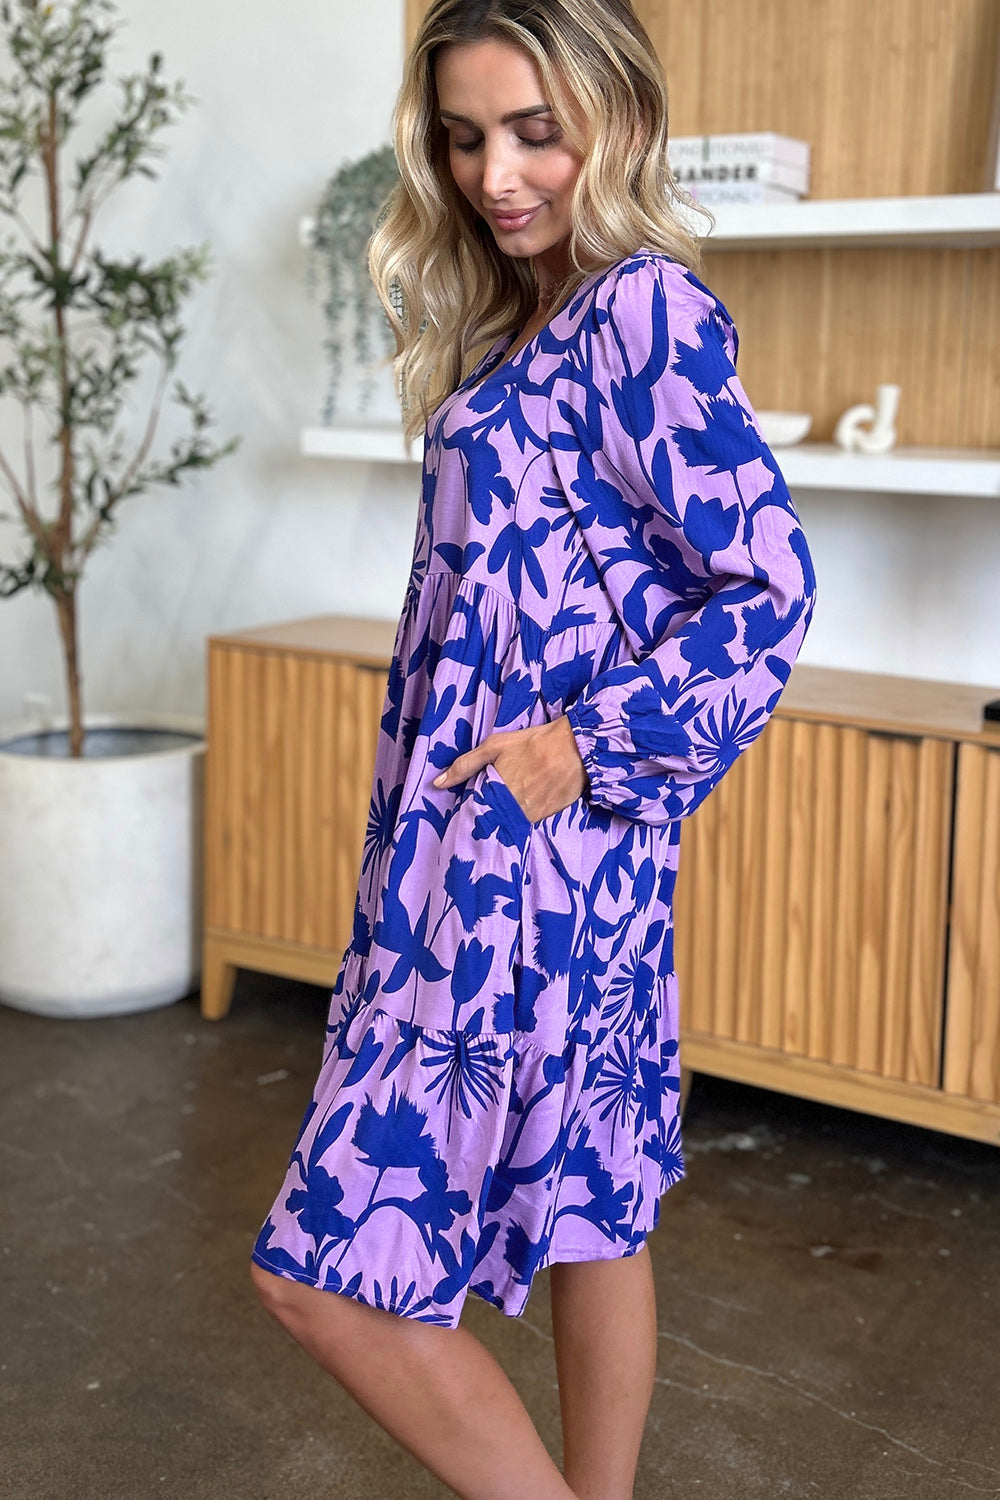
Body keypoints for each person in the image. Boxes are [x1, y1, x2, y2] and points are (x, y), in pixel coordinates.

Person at [250, 1, 817, 1496]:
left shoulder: (639, 314)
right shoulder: (527, 320)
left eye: (535, 131)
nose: (498, 174)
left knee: (319, 1276)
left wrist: (581, 747)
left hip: (524, 872)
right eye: (464, 137)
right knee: (594, 1213)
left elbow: (770, 587)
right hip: (541, 865)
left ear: (613, 123)